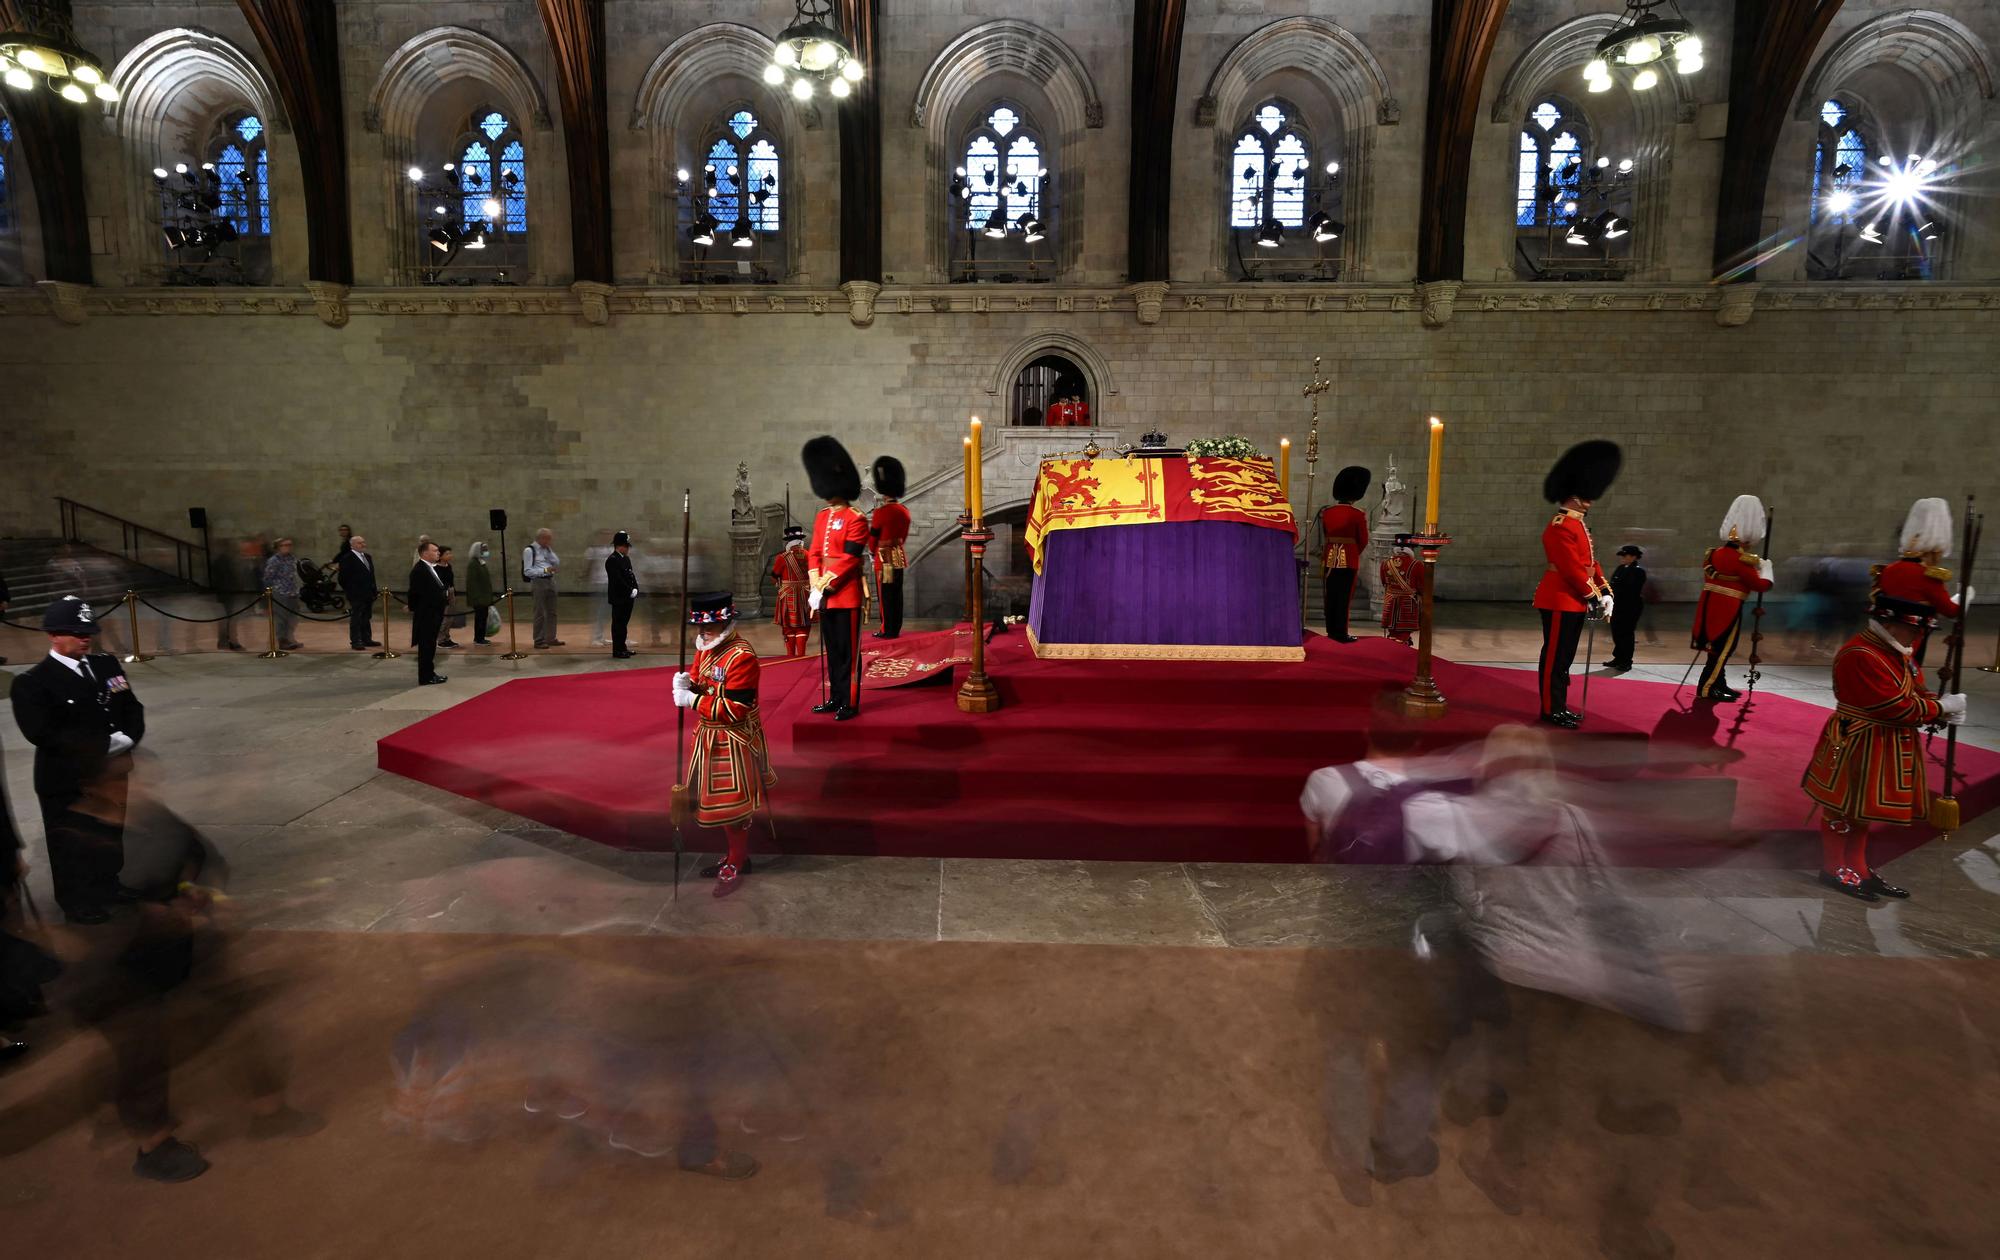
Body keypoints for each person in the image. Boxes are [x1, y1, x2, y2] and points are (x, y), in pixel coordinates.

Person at [1803, 588, 1968, 900]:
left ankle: (1857, 865)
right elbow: (1896, 707)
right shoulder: (1861, 654)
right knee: (1842, 807)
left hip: (1882, 740)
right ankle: (1833, 867)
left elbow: (1916, 690)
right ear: (1889, 624)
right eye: (1914, 629)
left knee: (1861, 810)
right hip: (1857, 740)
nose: (1918, 636)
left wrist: (1940, 708)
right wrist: (1941, 708)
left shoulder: (1895, 652)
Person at [8, 596, 146, 924]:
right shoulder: (33, 682)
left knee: (110, 833)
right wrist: (104, 745)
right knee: (71, 842)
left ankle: (108, 885)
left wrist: (129, 737)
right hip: (68, 778)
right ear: (53, 635)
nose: (85, 637)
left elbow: (130, 706)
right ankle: (76, 900)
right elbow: (43, 733)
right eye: (75, 631)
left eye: (88, 631)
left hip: (112, 771)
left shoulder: (106, 665)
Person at [672, 591, 776, 897]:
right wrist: (688, 684)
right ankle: (733, 856)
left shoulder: (742, 656)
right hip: (708, 735)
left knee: (734, 808)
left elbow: (735, 709)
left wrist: (693, 700)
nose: (702, 634)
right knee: (715, 805)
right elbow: (700, 678)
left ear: (725, 623)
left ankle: (738, 860)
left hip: (733, 739)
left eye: (708, 628)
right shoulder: (707, 647)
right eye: (699, 628)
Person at [1533, 440, 1620, 730]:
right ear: (1575, 495)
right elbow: (1570, 569)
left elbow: (1590, 564)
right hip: (1560, 598)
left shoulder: (1578, 524)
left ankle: (1558, 705)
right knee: (1556, 658)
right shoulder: (1560, 525)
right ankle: (1550, 708)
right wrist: (1592, 595)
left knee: (1565, 658)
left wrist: (1604, 590)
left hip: (1573, 599)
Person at [804, 436, 869, 721]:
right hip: (825, 597)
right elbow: (815, 551)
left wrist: (826, 583)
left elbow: (850, 558)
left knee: (847, 654)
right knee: (832, 651)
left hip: (845, 594)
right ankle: (835, 697)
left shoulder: (857, 518)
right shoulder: (821, 517)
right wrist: (815, 584)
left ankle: (850, 701)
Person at [1691, 496, 1774, 702]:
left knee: (1717, 649)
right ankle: (1707, 688)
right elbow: (1760, 585)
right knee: (1723, 649)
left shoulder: (1713, 554)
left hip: (1709, 605)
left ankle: (1719, 684)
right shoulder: (1741, 560)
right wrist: (1767, 570)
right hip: (1728, 608)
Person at [1872, 497, 1967, 666]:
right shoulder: (1928, 576)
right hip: (1910, 639)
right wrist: (1965, 597)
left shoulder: (1889, 569)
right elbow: (1951, 611)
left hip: (1883, 636)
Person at [1319, 466, 1371, 643]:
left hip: (1329, 558)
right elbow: (1363, 539)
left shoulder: (1327, 512)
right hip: (1348, 559)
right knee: (1344, 597)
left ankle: (1331, 630)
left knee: (1331, 596)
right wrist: (1353, 552)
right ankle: (1341, 632)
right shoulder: (1357, 514)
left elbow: (1326, 535)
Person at [869, 457, 911, 640]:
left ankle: (887, 629)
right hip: (898, 556)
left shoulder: (881, 512)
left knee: (885, 596)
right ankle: (896, 628)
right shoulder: (904, 511)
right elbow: (904, 536)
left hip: (884, 559)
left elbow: (873, 539)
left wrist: (872, 552)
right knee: (896, 595)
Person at [407, 542, 449, 685]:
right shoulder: (419, 570)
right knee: (426, 647)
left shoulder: (429, 568)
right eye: (435, 550)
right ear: (425, 553)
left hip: (433, 614)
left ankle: (430, 673)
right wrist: (414, 607)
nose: (438, 553)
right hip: (426, 615)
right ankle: (426, 677)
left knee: (430, 646)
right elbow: (414, 593)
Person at [770, 524, 813, 658]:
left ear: (788, 542)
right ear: (800, 540)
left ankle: (790, 657)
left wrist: (780, 584)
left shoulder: (782, 557)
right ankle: (802, 655)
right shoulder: (809, 555)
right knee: (804, 625)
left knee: (788, 627)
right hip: (805, 593)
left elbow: (774, 576)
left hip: (788, 594)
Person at [1603, 545, 1647, 673]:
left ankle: (1626, 661)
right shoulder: (1621, 568)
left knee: (1626, 634)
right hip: (1617, 605)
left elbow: (1631, 590)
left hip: (1630, 607)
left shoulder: (1638, 571)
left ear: (1633, 557)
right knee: (1616, 632)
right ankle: (1618, 657)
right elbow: (1612, 584)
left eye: (1624, 555)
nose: (1622, 558)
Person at [259, 538, 304, 652]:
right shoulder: (274, 560)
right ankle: (282, 640)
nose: (288, 547)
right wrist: (267, 595)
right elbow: (267, 578)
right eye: (285, 545)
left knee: (293, 618)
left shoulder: (292, 558)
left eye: (289, 544)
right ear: (278, 547)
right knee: (281, 618)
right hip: (280, 593)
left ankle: (290, 638)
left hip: (293, 592)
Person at [336, 535, 380, 650]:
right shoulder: (347, 558)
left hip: (368, 593)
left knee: (366, 617)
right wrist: (351, 591)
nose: (363, 544)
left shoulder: (368, 557)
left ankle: (367, 639)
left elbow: (371, 575)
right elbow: (342, 578)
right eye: (360, 543)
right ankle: (356, 641)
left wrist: (374, 590)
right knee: (357, 617)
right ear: (353, 545)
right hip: (356, 594)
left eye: (363, 542)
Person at [524, 528, 563, 648]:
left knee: (552, 612)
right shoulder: (529, 550)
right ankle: (539, 640)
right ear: (541, 538)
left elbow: (556, 562)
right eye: (548, 538)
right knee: (539, 612)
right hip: (539, 582)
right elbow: (528, 571)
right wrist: (546, 570)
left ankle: (550, 637)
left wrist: (549, 550)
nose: (550, 541)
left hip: (550, 580)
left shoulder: (547, 550)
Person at [1379, 543, 1420, 645]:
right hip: (1407, 602)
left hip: (1390, 600)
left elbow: (1384, 582)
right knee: (1403, 634)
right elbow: (1422, 586)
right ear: (1410, 549)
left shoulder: (1385, 563)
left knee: (1392, 632)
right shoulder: (1416, 564)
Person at [606, 531, 638, 659]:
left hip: (627, 598)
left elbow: (631, 575)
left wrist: (635, 587)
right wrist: (629, 590)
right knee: (618, 625)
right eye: (626, 546)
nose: (628, 549)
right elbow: (617, 580)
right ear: (620, 546)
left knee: (623, 624)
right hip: (619, 598)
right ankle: (617, 650)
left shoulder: (625, 559)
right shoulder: (612, 560)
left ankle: (622, 647)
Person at [464, 541, 496, 646]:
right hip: (479, 598)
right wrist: (477, 598)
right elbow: (472, 583)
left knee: (483, 617)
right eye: (484, 550)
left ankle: (481, 636)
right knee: (480, 618)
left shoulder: (481, 562)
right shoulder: (473, 564)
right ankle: (478, 638)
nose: (486, 552)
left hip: (485, 597)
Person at [434, 545, 461, 649]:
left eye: (450, 553)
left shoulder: (448, 566)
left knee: (450, 618)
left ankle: (446, 637)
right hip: (442, 595)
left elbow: (451, 581)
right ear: (440, 556)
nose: (450, 555)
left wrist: (454, 592)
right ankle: (441, 640)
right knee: (444, 618)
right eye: (447, 554)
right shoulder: (436, 568)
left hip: (450, 592)